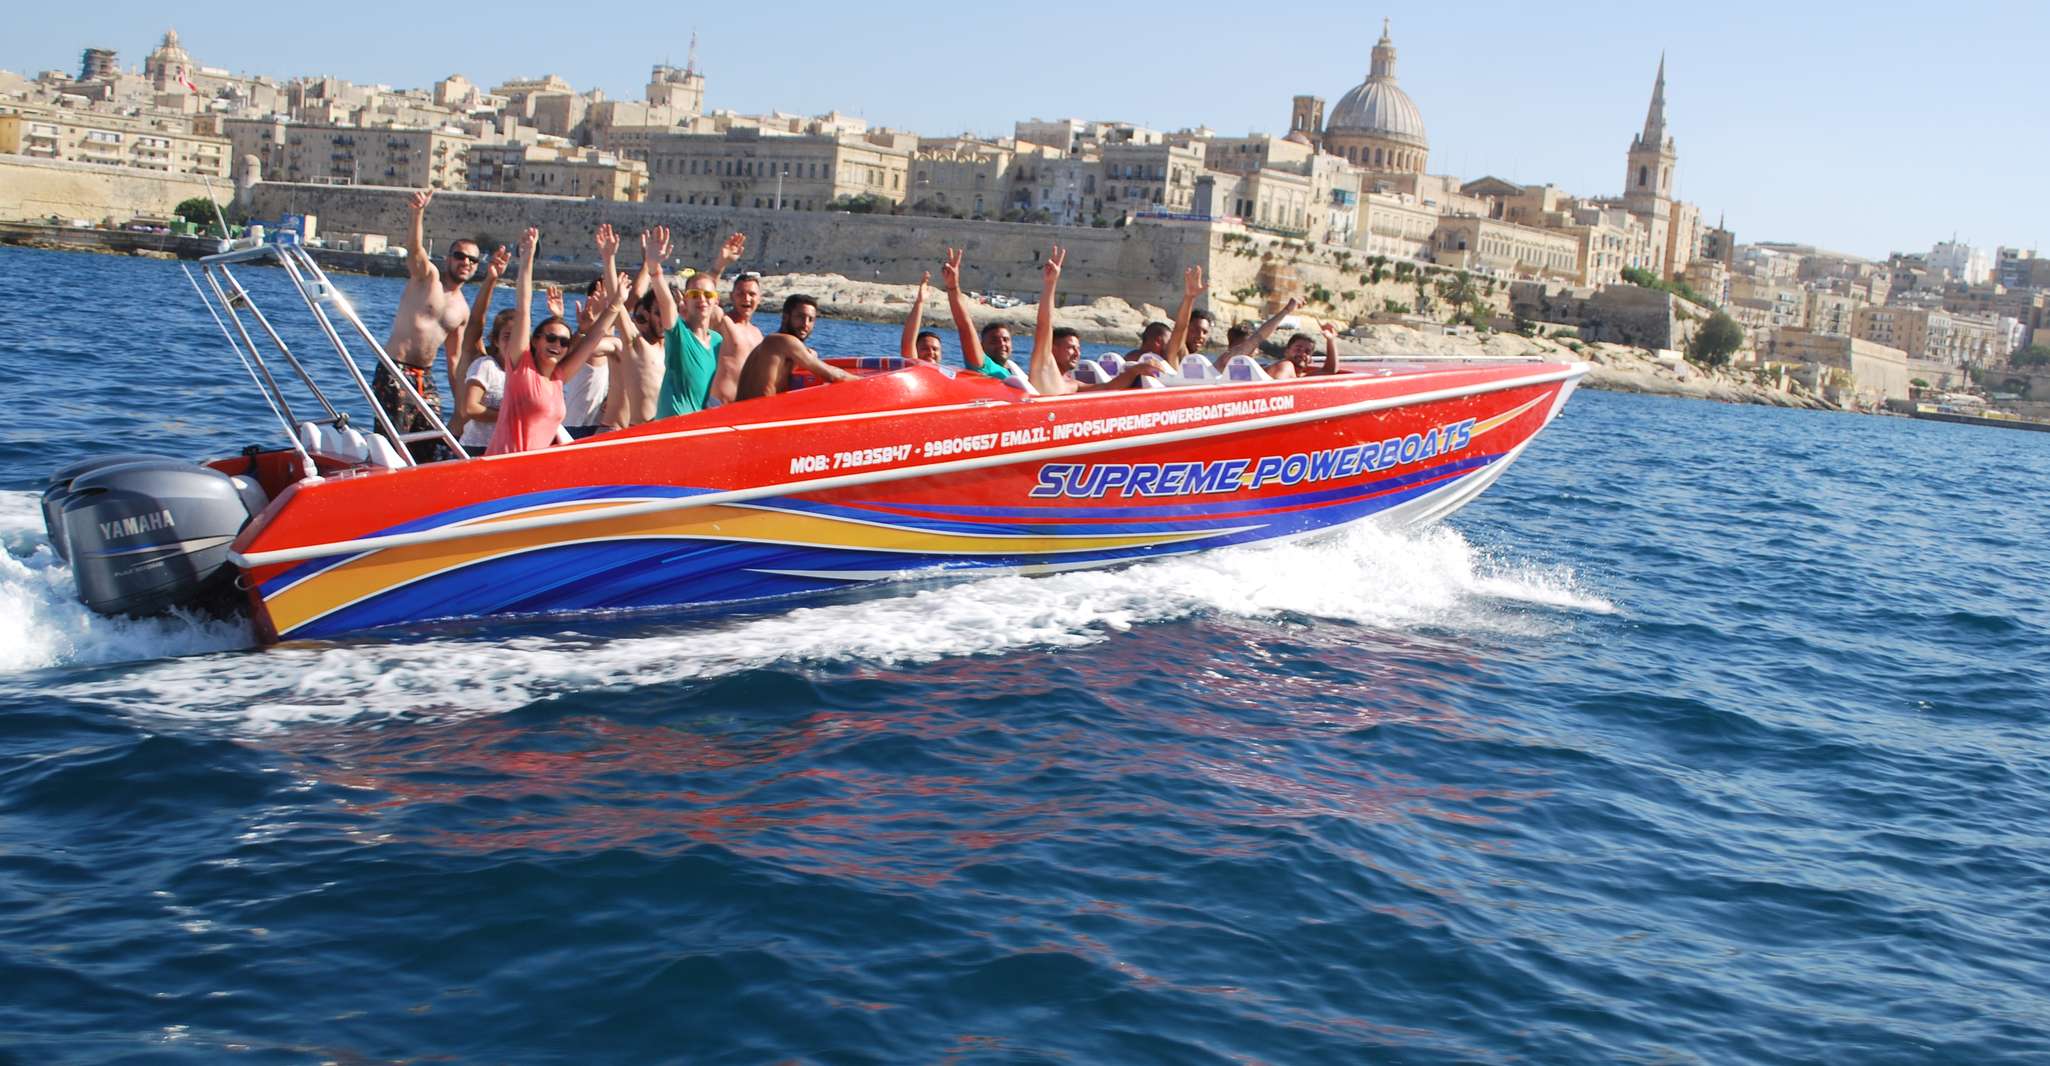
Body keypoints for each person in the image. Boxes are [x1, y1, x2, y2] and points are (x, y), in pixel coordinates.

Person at [486, 227, 626, 455]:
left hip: (536, 470)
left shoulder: (559, 377)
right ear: (536, 341)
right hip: (504, 464)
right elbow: (523, 308)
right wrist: (527, 259)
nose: (557, 345)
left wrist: (616, 303)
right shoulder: (521, 368)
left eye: (563, 341)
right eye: (551, 338)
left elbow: (591, 340)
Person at [380, 188, 479, 461]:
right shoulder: (428, 278)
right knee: (394, 442)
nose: (466, 262)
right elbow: (415, 250)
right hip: (396, 371)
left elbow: (455, 358)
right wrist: (417, 214)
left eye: (472, 260)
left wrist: (462, 405)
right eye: (460, 256)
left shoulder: (462, 308)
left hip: (426, 376)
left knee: (433, 438)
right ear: (449, 258)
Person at [1027, 246, 1162, 396]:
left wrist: (1135, 370)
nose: (1077, 353)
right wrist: (1050, 283)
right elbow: (1044, 326)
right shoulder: (1044, 366)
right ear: (1052, 349)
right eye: (1071, 348)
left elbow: (1106, 389)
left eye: (1078, 348)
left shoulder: (1071, 384)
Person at [559, 224, 628, 437]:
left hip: (599, 428)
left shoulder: (618, 341)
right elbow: (572, 352)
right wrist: (582, 329)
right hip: (576, 428)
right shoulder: (590, 339)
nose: (614, 301)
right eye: (604, 294)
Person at [734, 295, 857, 402]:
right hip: (758, 418)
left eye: (811, 319)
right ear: (785, 317)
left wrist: (809, 354)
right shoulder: (785, 341)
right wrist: (869, 382)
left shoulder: (770, 344)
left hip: (739, 416)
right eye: (800, 317)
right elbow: (834, 376)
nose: (805, 324)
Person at [647, 265, 733, 417]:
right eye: (694, 294)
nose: (701, 299)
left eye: (707, 294)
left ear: (716, 300)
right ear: (685, 300)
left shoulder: (718, 341)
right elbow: (666, 303)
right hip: (672, 423)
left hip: (699, 424)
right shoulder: (678, 332)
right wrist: (655, 271)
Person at [447, 242, 511, 441]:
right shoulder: (480, 362)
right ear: (496, 339)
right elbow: (475, 323)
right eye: (508, 336)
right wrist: (491, 279)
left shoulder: (524, 372)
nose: (514, 342)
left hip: (498, 451)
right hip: (461, 446)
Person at [940, 248, 1018, 380]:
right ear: (982, 346)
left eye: (1005, 340)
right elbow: (965, 326)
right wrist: (953, 287)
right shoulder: (983, 365)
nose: (1001, 344)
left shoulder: (1017, 372)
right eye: (994, 340)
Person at [1269, 320, 1343, 379]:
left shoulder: (1303, 377)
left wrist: (1330, 339)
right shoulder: (1285, 366)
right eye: (1298, 349)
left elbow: (1330, 370)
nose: (1303, 354)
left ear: (1310, 359)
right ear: (1286, 352)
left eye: (1307, 352)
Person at [899, 271, 944, 364]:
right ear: (915, 351)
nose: (931, 352)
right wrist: (920, 302)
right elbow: (907, 343)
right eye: (925, 348)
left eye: (935, 349)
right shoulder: (914, 367)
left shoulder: (946, 374)